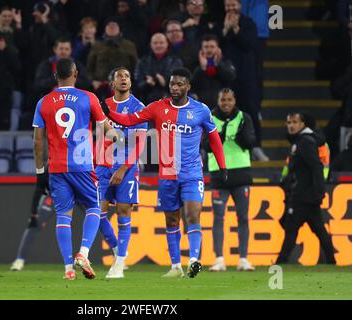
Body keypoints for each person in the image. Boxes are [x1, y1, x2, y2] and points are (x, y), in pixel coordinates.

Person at [101, 68, 227, 278]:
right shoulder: (157, 107)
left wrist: (222, 166)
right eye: (172, 84)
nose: (174, 88)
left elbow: (214, 138)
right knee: (171, 220)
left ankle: (194, 260)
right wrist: (109, 113)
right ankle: (176, 266)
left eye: (179, 84)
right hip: (167, 174)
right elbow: (130, 120)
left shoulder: (201, 110)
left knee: (193, 214)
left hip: (192, 174)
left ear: (188, 86)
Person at [32, 58, 116, 280]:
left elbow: (37, 142)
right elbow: (108, 131)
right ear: (76, 73)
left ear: (55, 76)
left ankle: (68, 269)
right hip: (82, 165)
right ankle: (84, 252)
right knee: (94, 207)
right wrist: (116, 134)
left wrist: (41, 171)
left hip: (57, 167)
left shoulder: (43, 102)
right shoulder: (88, 98)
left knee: (63, 215)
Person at [95, 67, 147, 278]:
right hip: (103, 166)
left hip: (127, 166)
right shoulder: (103, 106)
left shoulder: (138, 107)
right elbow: (98, 135)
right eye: (119, 77)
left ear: (130, 82)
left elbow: (140, 143)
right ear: (113, 83)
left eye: (127, 76)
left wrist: (124, 168)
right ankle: (118, 251)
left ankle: (119, 264)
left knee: (124, 212)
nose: (124, 79)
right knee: (96, 213)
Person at [205, 88, 255, 272]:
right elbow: (205, 146)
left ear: (235, 100)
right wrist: (220, 136)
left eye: (229, 100)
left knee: (243, 217)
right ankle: (219, 259)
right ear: (218, 100)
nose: (226, 103)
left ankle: (243, 259)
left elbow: (251, 142)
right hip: (219, 174)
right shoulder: (209, 118)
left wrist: (240, 135)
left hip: (241, 174)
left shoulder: (244, 118)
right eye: (223, 100)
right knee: (218, 217)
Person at [276, 113, 336, 265]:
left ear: (303, 124)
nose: (291, 125)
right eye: (288, 122)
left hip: (302, 196)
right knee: (319, 231)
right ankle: (332, 261)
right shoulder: (301, 141)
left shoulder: (305, 142)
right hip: (307, 196)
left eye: (295, 122)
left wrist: (319, 191)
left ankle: (280, 263)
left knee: (291, 230)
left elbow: (316, 166)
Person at [221, 0, 269, 162]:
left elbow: (249, 44)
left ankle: (256, 147)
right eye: (228, 6)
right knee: (227, 113)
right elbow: (218, 46)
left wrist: (235, 29)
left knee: (251, 111)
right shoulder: (220, 23)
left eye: (234, 5)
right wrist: (225, 30)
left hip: (247, 76)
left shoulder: (249, 24)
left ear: (240, 6)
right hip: (227, 77)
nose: (231, 9)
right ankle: (228, 149)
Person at [86, 16, 138, 99]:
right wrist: (93, 81)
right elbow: (89, 68)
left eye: (114, 26)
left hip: (124, 87)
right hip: (100, 88)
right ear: (105, 28)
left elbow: (135, 68)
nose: (112, 28)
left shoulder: (129, 45)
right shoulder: (97, 46)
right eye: (109, 26)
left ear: (119, 28)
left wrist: (130, 83)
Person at [134, 32, 183, 105]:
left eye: (161, 43)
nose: (158, 45)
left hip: (170, 103)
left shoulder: (175, 61)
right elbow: (137, 84)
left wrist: (166, 83)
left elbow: (180, 85)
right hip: (146, 103)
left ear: (167, 44)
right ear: (151, 45)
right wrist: (147, 84)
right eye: (155, 43)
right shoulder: (142, 62)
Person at [191, 34, 236, 108]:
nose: (209, 50)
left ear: (217, 49)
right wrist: (203, 68)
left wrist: (217, 65)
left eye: (212, 47)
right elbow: (191, 84)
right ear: (201, 49)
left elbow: (231, 78)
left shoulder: (226, 63)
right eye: (206, 47)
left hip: (222, 106)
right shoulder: (195, 64)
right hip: (202, 107)